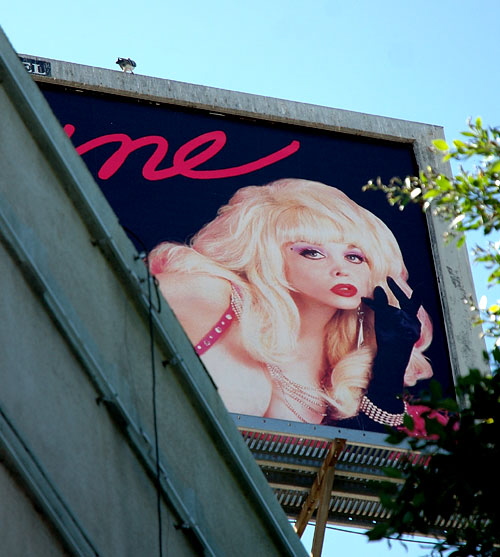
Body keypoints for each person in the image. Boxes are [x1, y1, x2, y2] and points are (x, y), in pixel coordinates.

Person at [149, 178, 433, 431]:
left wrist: (389, 366)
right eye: (312, 252)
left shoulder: (348, 367)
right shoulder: (215, 297)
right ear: (268, 254)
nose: (340, 269)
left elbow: (364, 465)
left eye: (354, 257)